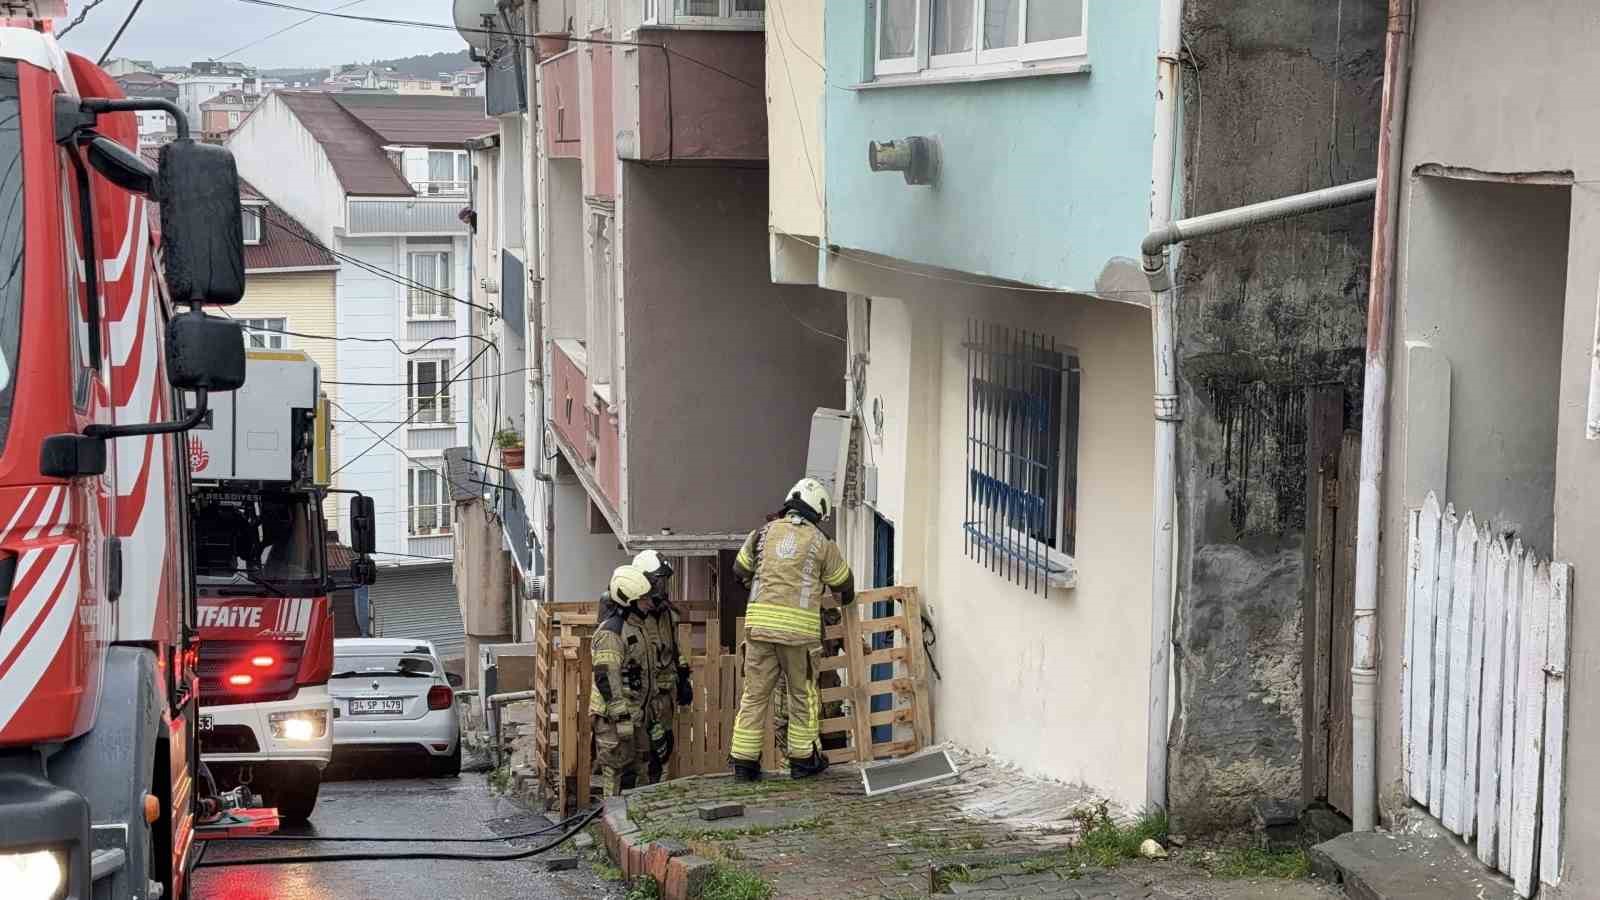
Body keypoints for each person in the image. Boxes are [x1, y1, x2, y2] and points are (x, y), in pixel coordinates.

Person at [728, 478, 854, 782]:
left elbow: (739, 570)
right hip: (799, 637)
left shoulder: (761, 533)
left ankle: (744, 763)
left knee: (754, 696)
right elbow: (844, 584)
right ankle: (802, 760)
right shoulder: (822, 542)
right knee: (802, 695)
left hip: (759, 630)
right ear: (818, 510)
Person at [589, 565, 654, 796]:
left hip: (635, 714)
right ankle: (611, 813)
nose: (649, 603)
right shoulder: (612, 633)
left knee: (640, 770)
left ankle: (635, 814)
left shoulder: (635, 626)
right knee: (615, 771)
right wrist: (621, 717)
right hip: (614, 719)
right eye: (644, 599)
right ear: (629, 601)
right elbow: (606, 678)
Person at [633, 549, 693, 783]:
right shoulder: (632, 614)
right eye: (659, 580)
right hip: (642, 698)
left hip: (665, 696)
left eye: (665, 580)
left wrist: (684, 677)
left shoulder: (665, 612)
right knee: (642, 752)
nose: (663, 586)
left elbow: (673, 647)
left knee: (664, 747)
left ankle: (658, 791)